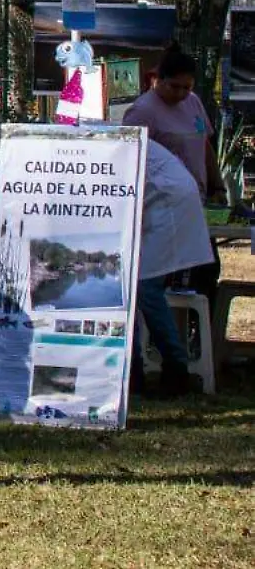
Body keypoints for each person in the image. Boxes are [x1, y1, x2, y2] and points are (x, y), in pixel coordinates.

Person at [136, 140, 217, 397]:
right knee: (133, 287)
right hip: (160, 199)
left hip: (168, 203)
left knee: (144, 288)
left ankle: (175, 367)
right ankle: (134, 369)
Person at [123, 45, 227, 204]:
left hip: (197, 197)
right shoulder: (142, 111)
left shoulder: (193, 101)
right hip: (162, 201)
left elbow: (204, 145)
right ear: (158, 79)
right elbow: (130, 160)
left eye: (186, 87)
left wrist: (218, 187)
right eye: (174, 86)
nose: (180, 94)